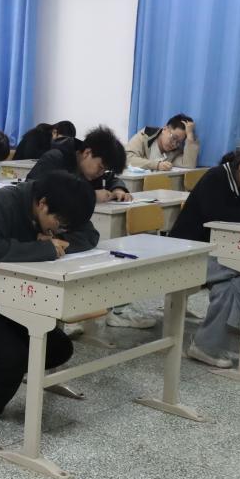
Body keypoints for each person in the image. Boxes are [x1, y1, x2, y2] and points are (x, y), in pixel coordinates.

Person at [0, 171, 99, 418]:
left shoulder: (63, 205)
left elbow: (90, 236)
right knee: (13, 355)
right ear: (42, 203)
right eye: (58, 224)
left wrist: (60, 240)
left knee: (58, 348)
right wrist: (43, 248)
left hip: (14, 298)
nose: (59, 229)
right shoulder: (4, 202)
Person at [168, 143, 240, 371]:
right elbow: (216, 213)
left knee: (231, 285)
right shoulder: (216, 178)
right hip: (187, 252)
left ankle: (205, 347)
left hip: (215, 255)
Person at [27, 127, 153, 330]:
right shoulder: (56, 159)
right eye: (100, 167)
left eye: (104, 170)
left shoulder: (91, 167)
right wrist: (91, 194)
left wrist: (118, 187)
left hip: (66, 224)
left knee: (92, 240)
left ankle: (96, 307)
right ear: (87, 153)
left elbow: (110, 177)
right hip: (42, 224)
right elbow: (34, 192)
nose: (101, 173)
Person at [125, 114, 199, 170]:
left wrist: (190, 136)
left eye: (178, 142)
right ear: (165, 129)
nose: (174, 144)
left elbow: (188, 165)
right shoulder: (145, 135)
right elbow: (127, 159)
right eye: (174, 138)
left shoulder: (174, 152)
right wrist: (157, 165)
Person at [12, 120, 76, 160]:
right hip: (18, 167)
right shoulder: (36, 134)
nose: (63, 142)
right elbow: (30, 155)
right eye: (61, 139)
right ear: (54, 132)